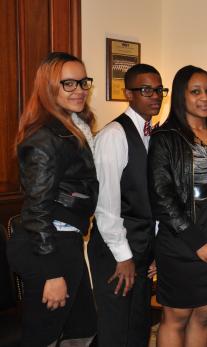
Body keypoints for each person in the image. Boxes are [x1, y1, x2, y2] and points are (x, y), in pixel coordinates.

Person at [148, 65, 207, 346]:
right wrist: (197, 242)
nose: (205, 98)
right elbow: (162, 197)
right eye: (196, 91)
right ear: (181, 95)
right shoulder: (166, 139)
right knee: (176, 317)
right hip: (183, 245)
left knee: (204, 315)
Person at [7, 52, 98, 346]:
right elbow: (36, 211)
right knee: (42, 337)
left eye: (83, 82)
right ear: (49, 88)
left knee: (83, 329)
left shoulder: (73, 129)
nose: (80, 89)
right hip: (47, 246)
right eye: (68, 83)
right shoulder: (44, 138)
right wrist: (52, 273)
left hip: (65, 241)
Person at [88, 63, 167, 346]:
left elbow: (151, 200)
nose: (155, 96)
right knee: (116, 330)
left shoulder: (152, 134)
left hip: (141, 250)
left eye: (159, 90)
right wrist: (123, 257)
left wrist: (154, 249)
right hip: (115, 251)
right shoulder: (114, 135)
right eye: (146, 90)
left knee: (138, 328)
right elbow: (106, 205)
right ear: (128, 94)